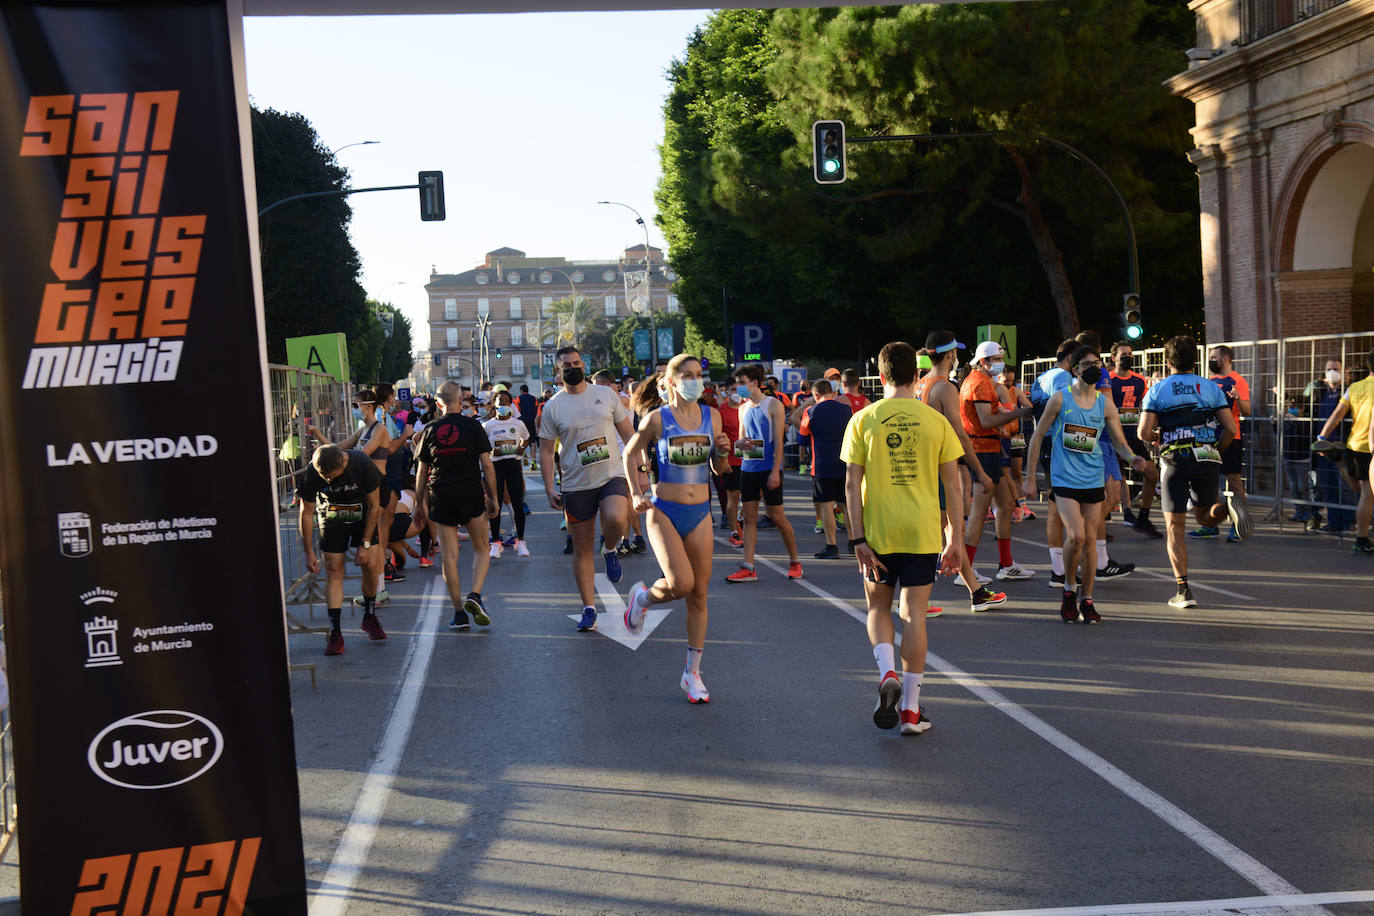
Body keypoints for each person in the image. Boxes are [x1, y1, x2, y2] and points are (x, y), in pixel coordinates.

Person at [843, 341, 966, 736]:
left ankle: (886, 674)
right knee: (914, 614)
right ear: (918, 375)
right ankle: (912, 711)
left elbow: (850, 483)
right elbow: (954, 487)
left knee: (878, 607)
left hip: (877, 532)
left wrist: (857, 538)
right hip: (922, 531)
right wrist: (956, 540)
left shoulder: (863, 419)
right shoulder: (936, 421)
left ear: (880, 377)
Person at [622, 355, 733, 703]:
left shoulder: (711, 416)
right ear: (670, 381)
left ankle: (692, 673)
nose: (694, 381)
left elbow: (718, 468)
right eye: (687, 375)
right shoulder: (658, 419)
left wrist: (725, 453)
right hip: (664, 510)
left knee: (699, 595)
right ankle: (641, 599)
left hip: (700, 511)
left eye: (699, 375)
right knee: (681, 585)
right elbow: (629, 454)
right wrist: (636, 494)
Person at [1024, 344, 1148, 623]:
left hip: (1092, 477)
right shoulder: (1060, 399)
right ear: (1075, 369)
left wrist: (1133, 458)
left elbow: (1119, 441)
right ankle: (1069, 588)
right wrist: (1031, 477)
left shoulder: (1105, 404)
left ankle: (1087, 598)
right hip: (1064, 478)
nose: (1093, 368)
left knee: (1090, 540)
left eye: (1097, 363)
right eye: (1086, 364)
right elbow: (1037, 436)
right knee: (1077, 536)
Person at [539, 346, 639, 631]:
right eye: (567, 365)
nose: (573, 368)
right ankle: (589, 607)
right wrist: (549, 488)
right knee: (582, 549)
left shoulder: (605, 395)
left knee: (618, 518)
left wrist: (641, 468)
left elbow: (628, 433)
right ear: (558, 372)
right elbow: (547, 452)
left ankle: (610, 549)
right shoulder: (553, 406)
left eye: (577, 363)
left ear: (584, 365)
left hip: (611, 476)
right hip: (575, 484)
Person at [1137, 335, 1238, 608]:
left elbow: (1143, 432)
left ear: (1168, 361)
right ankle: (1226, 509)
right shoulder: (1210, 388)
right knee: (1206, 518)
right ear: (1196, 360)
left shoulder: (1158, 390)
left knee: (1174, 527)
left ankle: (1183, 591)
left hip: (1175, 460)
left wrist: (1157, 434)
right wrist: (1216, 448)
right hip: (1207, 457)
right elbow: (1230, 429)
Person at [916, 331, 1007, 613]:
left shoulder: (921, 384)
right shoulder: (944, 387)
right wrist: (980, 472)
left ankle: (976, 592)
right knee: (941, 532)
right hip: (939, 467)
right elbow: (961, 435)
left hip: (926, 465)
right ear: (951, 355)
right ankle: (918, 600)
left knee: (949, 530)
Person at [413, 381, 500, 630]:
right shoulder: (473, 426)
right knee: (482, 547)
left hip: (441, 494)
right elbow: (488, 465)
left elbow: (421, 473)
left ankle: (459, 613)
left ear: (438, 403)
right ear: (461, 401)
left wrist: (420, 504)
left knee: (449, 557)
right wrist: (492, 496)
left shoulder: (429, 430)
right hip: (470, 492)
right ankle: (474, 594)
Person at [308, 388, 395, 604]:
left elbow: (360, 455)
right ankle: (376, 588)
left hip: (377, 485)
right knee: (367, 537)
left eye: (355, 405)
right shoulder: (362, 431)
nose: (354, 409)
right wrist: (319, 436)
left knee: (376, 536)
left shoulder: (379, 429)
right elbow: (337, 451)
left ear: (367, 405)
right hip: (360, 488)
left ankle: (380, 588)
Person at [297, 445, 386, 656]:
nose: (327, 480)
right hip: (332, 517)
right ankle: (335, 632)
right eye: (323, 477)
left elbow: (375, 506)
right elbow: (306, 512)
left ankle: (369, 615)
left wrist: (365, 544)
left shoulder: (363, 464)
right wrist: (308, 551)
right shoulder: (313, 470)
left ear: (343, 464)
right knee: (334, 570)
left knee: (371, 567)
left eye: (331, 476)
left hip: (363, 516)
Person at [960, 341, 1036, 582]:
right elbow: (986, 421)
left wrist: (1013, 414)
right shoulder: (980, 383)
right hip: (983, 450)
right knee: (979, 512)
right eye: (997, 358)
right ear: (984, 361)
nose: (1001, 363)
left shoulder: (980, 381)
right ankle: (965, 570)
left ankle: (1006, 564)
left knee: (1005, 506)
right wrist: (1020, 413)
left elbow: (991, 417)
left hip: (989, 449)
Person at [726, 364, 803, 582]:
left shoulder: (773, 405)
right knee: (749, 518)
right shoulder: (742, 408)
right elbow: (742, 441)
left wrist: (775, 472)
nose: (738, 388)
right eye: (737, 384)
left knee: (777, 517)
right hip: (748, 469)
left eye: (742, 383)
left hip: (769, 469)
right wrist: (735, 448)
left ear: (755, 383)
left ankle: (795, 562)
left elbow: (779, 441)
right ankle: (748, 566)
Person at [1314, 348, 1374, 555]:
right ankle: (1362, 538)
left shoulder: (1355, 388)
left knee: (1362, 492)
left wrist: (1322, 436)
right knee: (1366, 494)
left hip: (1356, 445)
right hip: (1371, 447)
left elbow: (1337, 414)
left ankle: (1363, 537)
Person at [1196, 345, 1252, 541]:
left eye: (1214, 357)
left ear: (1226, 359)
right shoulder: (1209, 382)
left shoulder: (1238, 380)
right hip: (1208, 439)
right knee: (1211, 483)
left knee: (1234, 482)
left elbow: (1247, 411)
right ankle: (1211, 524)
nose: (1211, 361)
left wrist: (1238, 397)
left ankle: (1239, 525)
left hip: (1230, 438)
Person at [1108, 341, 1162, 538]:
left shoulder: (1140, 381)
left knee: (1152, 473)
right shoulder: (1108, 380)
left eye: (1130, 354)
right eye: (1123, 354)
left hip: (1132, 435)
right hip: (1111, 436)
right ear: (1114, 358)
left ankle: (1142, 517)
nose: (1127, 357)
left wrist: (1154, 429)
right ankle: (1103, 520)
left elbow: (1148, 407)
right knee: (1115, 479)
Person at [800, 379, 853, 559]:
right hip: (845, 463)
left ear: (815, 395)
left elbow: (802, 438)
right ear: (832, 392)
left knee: (826, 506)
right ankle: (854, 541)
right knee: (847, 505)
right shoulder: (847, 410)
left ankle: (832, 546)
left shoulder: (811, 411)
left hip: (821, 465)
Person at [483, 389, 531, 557]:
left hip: (513, 465)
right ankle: (496, 543)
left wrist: (521, 449)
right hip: (495, 467)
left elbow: (527, 438)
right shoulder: (488, 425)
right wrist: (491, 452)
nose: (503, 405)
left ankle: (521, 541)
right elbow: (483, 448)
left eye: (506, 402)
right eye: (500, 402)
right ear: (494, 405)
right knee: (494, 504)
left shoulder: (518, 424)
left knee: (517, 503)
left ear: (511, 405)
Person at [1307, 359, 1351, 531]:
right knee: (1328, 485)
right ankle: (1333, 521)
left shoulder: (1347, 392)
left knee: (1345, 486)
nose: (1332, 372)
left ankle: (1348, 522)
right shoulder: (1321, 393)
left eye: (1336, 369)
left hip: (1341, 448)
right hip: (1323, 449)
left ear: (1343, 372)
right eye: (1329, 369)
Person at [517, 383, 540, 470]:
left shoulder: (519, 398)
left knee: (521, 440)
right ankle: (533, 461)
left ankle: (524, 456)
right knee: (532, 441)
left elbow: (517, 410)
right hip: (531, 421)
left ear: (521, 391)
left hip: (522, 421)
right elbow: (536, 409)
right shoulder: (534, 398)